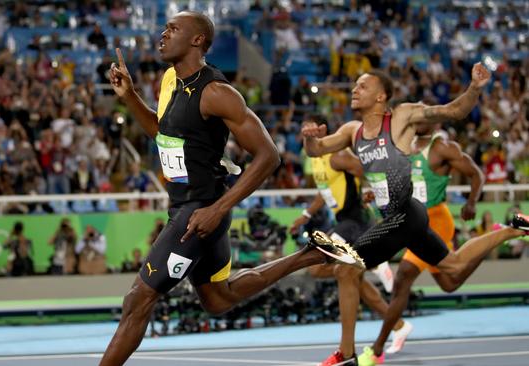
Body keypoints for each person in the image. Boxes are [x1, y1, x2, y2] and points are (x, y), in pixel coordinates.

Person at [101, 11, 362, 365]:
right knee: (218, 300)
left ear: (197, 40)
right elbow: (164, 135)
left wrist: (218, 209)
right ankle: (310, 255)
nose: (162, 35)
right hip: (187, 208)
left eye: (172, 29)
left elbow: (268, 157)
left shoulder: (217, 93)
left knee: (138, 300)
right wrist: (130, 96)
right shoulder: (168, 81)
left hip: (200, 211)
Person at [303, 65, 529, 365]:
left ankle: (346, 354)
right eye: (355, 86)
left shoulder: (401, 118)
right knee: (453, 265)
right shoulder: (351, 132)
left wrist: (474, 88)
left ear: (381, 96)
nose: (354, 90)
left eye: (362, 86)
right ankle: (513, 229)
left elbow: (452, 112)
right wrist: (309, 137)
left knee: (346, 269)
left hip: (405, 213)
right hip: (401, 216)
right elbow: (316, 150)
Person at [361, 122, 485, 362]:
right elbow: (402, 185)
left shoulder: (442, 148)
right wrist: (376, 193)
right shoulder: (405, 148)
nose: (414, 121)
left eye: (421, 117)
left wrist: (471, 202)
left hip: (436, 220)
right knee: (449, 284)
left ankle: (378, 348)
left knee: (403, 276)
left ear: (433, 121)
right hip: (414, 221)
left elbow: (476, 174)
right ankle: (481, 246)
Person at [290, 137, 404, 366]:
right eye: (303, 133)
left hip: (355, 221)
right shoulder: (317, 162)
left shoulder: (338, 155)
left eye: (311, 131)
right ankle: (399, 325)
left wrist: (375, 192)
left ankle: (376, 264)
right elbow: (325, 192)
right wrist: (306, 215)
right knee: (350, 277)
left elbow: (366, 169)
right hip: (345, 222)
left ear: (322, 133)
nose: (306, 136)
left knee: (318, 264)